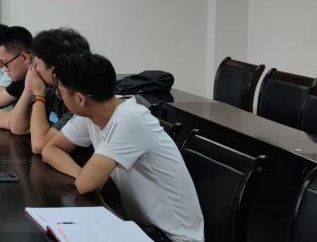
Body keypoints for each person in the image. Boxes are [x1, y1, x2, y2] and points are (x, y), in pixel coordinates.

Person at [42, 53, 204, 242]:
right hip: (139, 227)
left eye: (61, 92)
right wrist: (81, 174)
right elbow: (50, 150)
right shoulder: (93, 113)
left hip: (173, 237)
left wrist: (84, 178)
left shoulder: (130, 119)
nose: (60, 97)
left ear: (80, 99)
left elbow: (86, 185)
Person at [8, 27, 90, 153]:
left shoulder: (78, 100)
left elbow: (39, 146)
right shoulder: (51, 90)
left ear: (54, 70)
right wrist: (28, 89)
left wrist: (38, 95)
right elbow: (17, 127)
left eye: (36, 64)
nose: (32, 69)